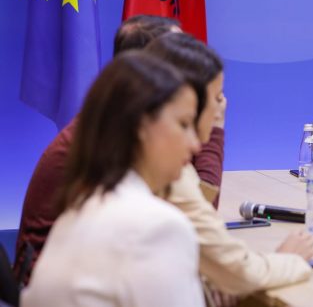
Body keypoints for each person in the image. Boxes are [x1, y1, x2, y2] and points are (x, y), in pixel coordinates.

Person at [13, 15, 225, 284]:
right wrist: (213, 126)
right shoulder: (119, 134)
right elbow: (195, 223)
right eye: (180, 61)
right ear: (150, 74)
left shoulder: (117, 116)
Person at [22, 52, 205, 306]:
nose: (196, 144)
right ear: (141, 126)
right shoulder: (159, 228)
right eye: (184, 124)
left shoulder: (78, 210)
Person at [145, 33, 313, 296]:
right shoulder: (164, 171)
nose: (221, 106)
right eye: (217, 97)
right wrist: (288, 259)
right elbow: (240, 274)